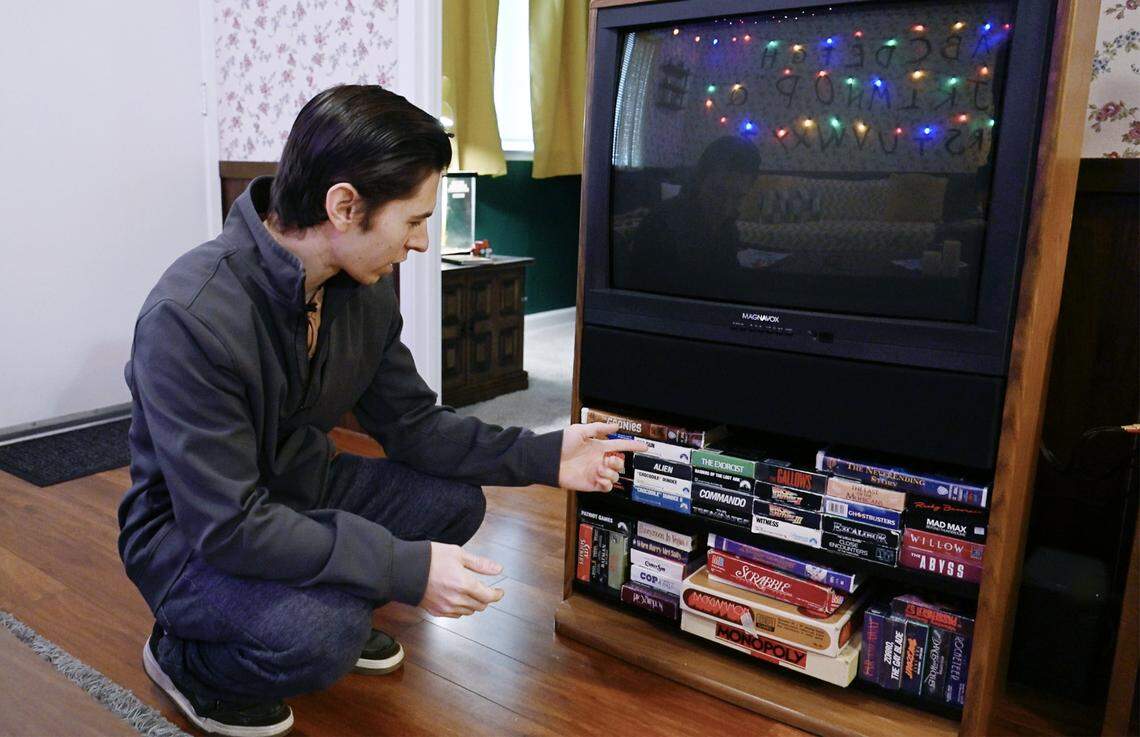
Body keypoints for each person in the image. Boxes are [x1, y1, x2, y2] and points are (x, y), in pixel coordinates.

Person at [118, 85, 645, 737]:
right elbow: (227, 525)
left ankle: (322, 591)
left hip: (297, 491)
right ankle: (187, 657)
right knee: (322, 636)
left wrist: (545, 453)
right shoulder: (190, 316)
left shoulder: (361, 294)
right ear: (344, 206)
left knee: (455, 502)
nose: (423, 242)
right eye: (415, 219)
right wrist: (403, 568)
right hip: (194, 537)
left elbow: (417, 428)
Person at [622, 135, 761, 298]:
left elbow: (729, 279)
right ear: (699, 181)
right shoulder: (660, 225)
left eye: (738, 197)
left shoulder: (728, 228)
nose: (726, 207)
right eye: (718, 192)